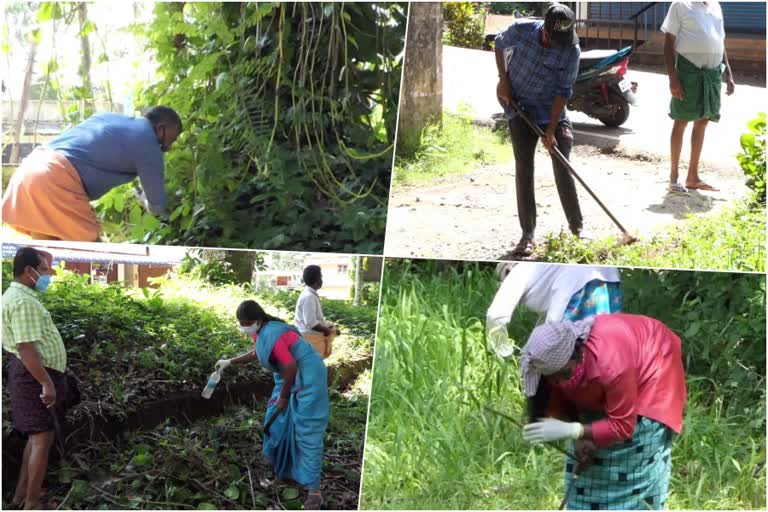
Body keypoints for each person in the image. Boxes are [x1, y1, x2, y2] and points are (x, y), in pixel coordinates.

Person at [520, 314, 687, 510]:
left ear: (577, 353)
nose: (561, 383)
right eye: (554, 378)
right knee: (587, 476)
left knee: (636, 464)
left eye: (565, 374)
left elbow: (623, 426)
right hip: (609, 384)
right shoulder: (555, 367)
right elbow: (569, 399)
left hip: (654, 375)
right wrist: (583, 435)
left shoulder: (611, 362)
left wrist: (575, 430)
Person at [2, 106, 182, 241]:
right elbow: (157, 205)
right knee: (93, 259)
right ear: (160, 129)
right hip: (55, 180)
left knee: (45, 258)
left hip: (30, 169)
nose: (169, 147)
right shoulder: (148, 143)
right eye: (171, 139)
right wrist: (144, 200)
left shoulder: (110, 117)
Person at [215, 300, 329, 509]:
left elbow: (291, 367)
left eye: (246, 322)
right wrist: (230, 361)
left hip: (309, 375)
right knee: (274, 417)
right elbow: (257, 353)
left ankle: (314, 491)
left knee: (306, 430)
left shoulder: (272, 333)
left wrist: (284, 398)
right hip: (288, 374)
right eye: (241, 323)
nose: (243, 326)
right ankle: (278, 464)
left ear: (257, 320)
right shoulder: (261, 332)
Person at [494, 3, 585, 257]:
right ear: (544, 30)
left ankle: (577, 228)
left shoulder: (571, 50)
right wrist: (503, 80)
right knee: (524, 168)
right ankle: (527, 235)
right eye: (554, 39)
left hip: (551, 110)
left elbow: (562, 92)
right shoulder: (521, 30)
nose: (559, 44)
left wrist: (551, 130)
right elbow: (499, 44)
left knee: (562, 162)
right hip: (519, 106)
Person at [3, 247, 69, 510]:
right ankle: (32, 503)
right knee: (41, 441)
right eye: (44, 270)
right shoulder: (23, 302)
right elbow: (26, 348)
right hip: (34, 377)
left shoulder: (18, 296)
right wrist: (46, 382)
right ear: (29, 272)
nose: (48, 275)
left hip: (30, 374)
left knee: (36, 437)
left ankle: (20, 496)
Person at [662, 1, 734, 193]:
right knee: (681, 121)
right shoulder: (680, 5)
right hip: (688, 71)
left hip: (712, 73)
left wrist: (729, 74)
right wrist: (673, 79)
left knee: (703, 120)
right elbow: (669, 43)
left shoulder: (715, 6)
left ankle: (692, 177)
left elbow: (720, 41)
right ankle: (674, 179)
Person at [486, 263, 622, 358]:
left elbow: (496, 315)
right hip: (608, 276)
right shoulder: (542, 270)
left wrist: (501, 351)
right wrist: (528, 352)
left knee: (569, 355)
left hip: (578, 286)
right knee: (605, 343)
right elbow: (543, 323)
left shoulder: (517, 272)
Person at [294, 265, 337, 359]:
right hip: (310, 339)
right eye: (321, 277)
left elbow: (314, 319)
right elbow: (311, 323)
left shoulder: (310, 294)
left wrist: (329, 326)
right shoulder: (309, 296)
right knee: (312, 367)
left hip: (310, 337)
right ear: (317, 279)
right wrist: (326, 330)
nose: (322, 280)